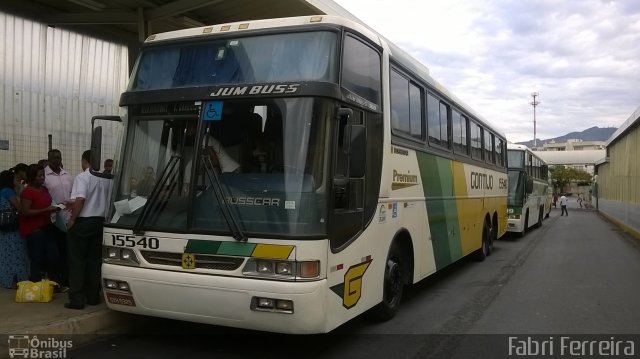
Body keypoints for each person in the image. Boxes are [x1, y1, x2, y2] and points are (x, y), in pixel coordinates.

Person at [65, 150, 111, 309]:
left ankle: (77, 300)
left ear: (84, 161)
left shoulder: (82, 177)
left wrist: (72, 219)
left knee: (77, 261)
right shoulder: (106, 178)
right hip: (100, 222)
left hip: (83, 223)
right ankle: (93, 297)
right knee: (94, 261)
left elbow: (81, 199)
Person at [20, 164, 65, 284]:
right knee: (37, 258)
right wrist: (46, 210)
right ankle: (35, 284)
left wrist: (57, 207)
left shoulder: (44, 189)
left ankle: (53, 283)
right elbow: (25, 211)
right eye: (39, 176)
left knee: (53, 256)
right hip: (35, 230)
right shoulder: (27, 191)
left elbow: (49, 203)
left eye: (43, 175)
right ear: (31, 177)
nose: (42, 178)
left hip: (48, 227)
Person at [43, 149, 73, 286]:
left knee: (67, 251)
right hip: (52, 219)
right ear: (49, 158)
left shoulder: (67, 175)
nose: (57, 160)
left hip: (67, 219)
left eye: (59, 157)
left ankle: (66, 279)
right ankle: (55, 280)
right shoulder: (44, 176)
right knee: (53, 253)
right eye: (54, 158)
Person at [0, 170, 29, 289]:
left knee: (5, 255)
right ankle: (16, 280)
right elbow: (19, 207)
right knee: (17, 254)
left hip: (3, 229)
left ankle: (5, 279)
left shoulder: (1, 191)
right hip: (13, 229)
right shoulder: (8, 191)